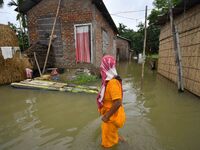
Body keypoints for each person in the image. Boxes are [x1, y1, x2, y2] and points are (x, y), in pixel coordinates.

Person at [97, 55, 126, 148]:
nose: (100, 68)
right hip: (112, 116)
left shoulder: (112, 83)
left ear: (105, 67)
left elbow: (118, 102)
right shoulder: (109, 82)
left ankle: (113, 142)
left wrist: (106, 116)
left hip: (111, 118)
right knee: (112, 134)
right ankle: (119, 139)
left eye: (102, 66)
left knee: (106, 145)